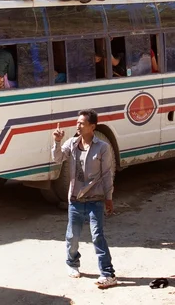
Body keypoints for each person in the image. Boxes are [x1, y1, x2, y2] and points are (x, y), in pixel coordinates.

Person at [52, 110, 117, 289]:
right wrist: (57, 142)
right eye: (77, 122)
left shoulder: (102, 148)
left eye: (81, 123)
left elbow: (106, 175)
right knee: (72, 236)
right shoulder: (72, 144)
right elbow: (57, 158)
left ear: (92, 127)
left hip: (95, 200)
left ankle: (108, 273)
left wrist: (109, 198)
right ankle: (72, 264)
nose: (77, 126)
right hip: (75, 199)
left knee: (97, 236)